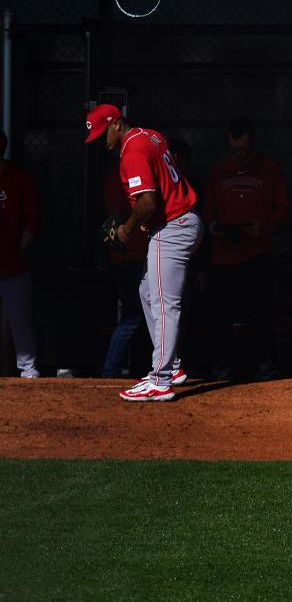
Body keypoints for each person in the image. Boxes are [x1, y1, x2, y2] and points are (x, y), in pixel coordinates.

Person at [84, 104, 202, 401]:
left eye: (103, 133)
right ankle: (172, 367)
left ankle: (161, 380)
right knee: (147, 292)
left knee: (163, 303)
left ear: (116, 124)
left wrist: (126, 228)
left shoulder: (132, 150)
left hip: (173, 226)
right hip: (179, 222)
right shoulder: (149, 135)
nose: (102, 141)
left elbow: (148, 203)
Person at [200, 117, 289, 380]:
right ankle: (223, 370)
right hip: (224, 255)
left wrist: (264, 227)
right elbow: (207, 208)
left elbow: (283, 208)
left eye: (244, 150)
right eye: (234, 150)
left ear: (253, 144)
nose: (239, 156)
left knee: (260, 315)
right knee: (221, 318)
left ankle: (264, 369)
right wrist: (213, 224)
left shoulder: (270, 170)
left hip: (257, 253)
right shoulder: (219, 171)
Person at [99, 167, 149, 378]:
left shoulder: (117, 177)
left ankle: (139, 368)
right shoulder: (119, 179)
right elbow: (141, 207)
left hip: (128, 256)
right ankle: (111, 369)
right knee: (134, 314)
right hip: (129, 256)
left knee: (140, 315)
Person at [0, 130, 40, 378]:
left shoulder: (19, 179)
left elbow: (32, 220)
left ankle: (28, 369)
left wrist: (18, 249)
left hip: (12, 262)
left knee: (19, 318)